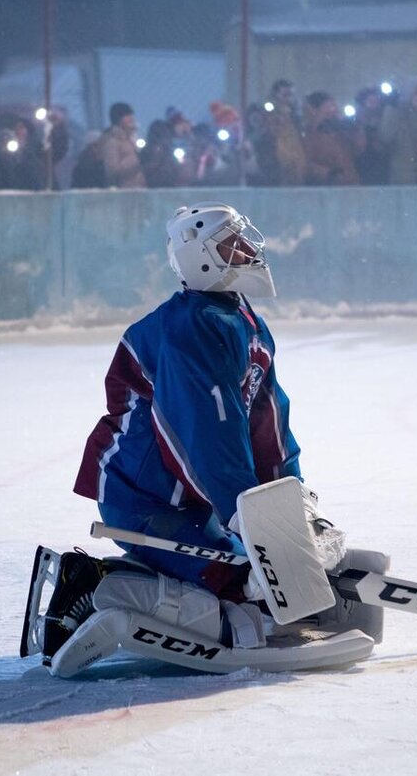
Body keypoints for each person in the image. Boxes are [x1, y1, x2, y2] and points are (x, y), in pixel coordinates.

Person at [48, 203, 298, 658]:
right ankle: (93, 586)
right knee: (243, 592)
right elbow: (203, 437)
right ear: (200, 258)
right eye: (230, 244)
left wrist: (290, 501)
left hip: (190, 504)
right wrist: (250, 517)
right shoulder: (192, 328)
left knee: (270, 583)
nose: (246, 250)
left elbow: (268, 423)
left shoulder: (246, 322)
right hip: (145, 501)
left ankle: (175, 578)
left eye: (242, 240)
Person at [302, 91, 360, 186]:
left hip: (350, 185)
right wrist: (329, 174)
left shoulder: (341, 134)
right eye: (328, 108)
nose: (333, 111)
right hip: (324, 188)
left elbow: (358, 149)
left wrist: (356, 127)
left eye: (334, 107)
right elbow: (306, 164)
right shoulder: (306, 135)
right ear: (314, 111)